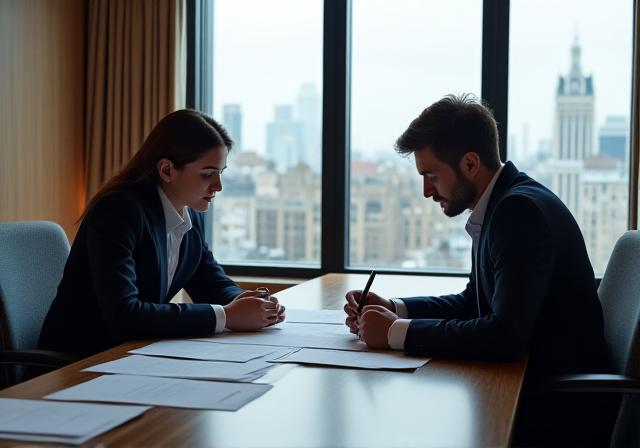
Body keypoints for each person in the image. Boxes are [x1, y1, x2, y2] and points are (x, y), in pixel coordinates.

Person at [343, 94, 617, 446]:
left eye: (431, 175)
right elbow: (474, 300)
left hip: (557, 411)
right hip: (532, 386)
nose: (427, 191)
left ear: (470, 164)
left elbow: (504, 336)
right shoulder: (504, 203)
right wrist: (396, 309)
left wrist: (396, 333)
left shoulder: (519, 213)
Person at [39, 109, 285, 358]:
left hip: (135, 356)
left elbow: (208, 280)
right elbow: (125, 315)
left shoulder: (190, 214)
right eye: (207, 174)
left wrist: (250, 302)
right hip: (81, 361)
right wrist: (226, 315)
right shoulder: (118, 212)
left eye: (220, 173)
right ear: (167, 170)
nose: (218, 186)